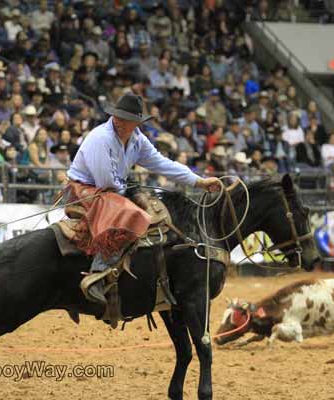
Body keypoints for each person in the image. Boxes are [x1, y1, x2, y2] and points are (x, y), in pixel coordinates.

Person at [64, 93, 221, 305]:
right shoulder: (101, 138)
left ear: (136, 122)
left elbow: (162, 163)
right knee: (132, 215)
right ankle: (98, 273)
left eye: (126, 119)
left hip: (113, 187)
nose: (120, 122)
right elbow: (106, 182)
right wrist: (131, 190)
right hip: (84, 190)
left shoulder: (137, 139)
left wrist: (198, 181)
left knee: (152, 208)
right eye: (119, 118)